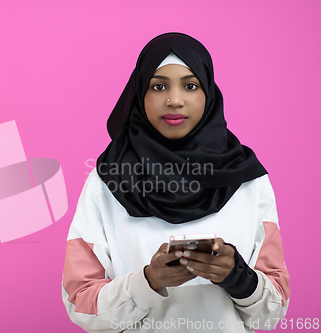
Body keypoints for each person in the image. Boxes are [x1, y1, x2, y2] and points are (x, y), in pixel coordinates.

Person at [62, 32, 289, 332]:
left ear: (208, 93)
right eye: (158, 86)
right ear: (140, 93)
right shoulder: (106, 181)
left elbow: (273, 312)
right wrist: (148, 282)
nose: (175, 100)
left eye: (190, 85)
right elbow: (80, 303)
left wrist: (237, 277)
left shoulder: (247, 179)